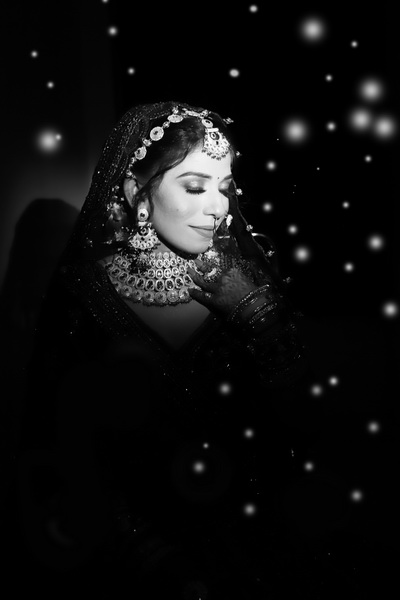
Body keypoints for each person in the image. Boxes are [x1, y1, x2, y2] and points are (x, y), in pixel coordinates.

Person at [15, 101, 327, 598]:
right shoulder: (85, 297)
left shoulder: (249, 281)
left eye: (225, 188)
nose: (218, 207)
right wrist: (152, 559)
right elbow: (60, 449)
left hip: (259, 549)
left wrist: (259, 316)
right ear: (137, 193)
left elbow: (306, 426)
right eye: (196, 187)